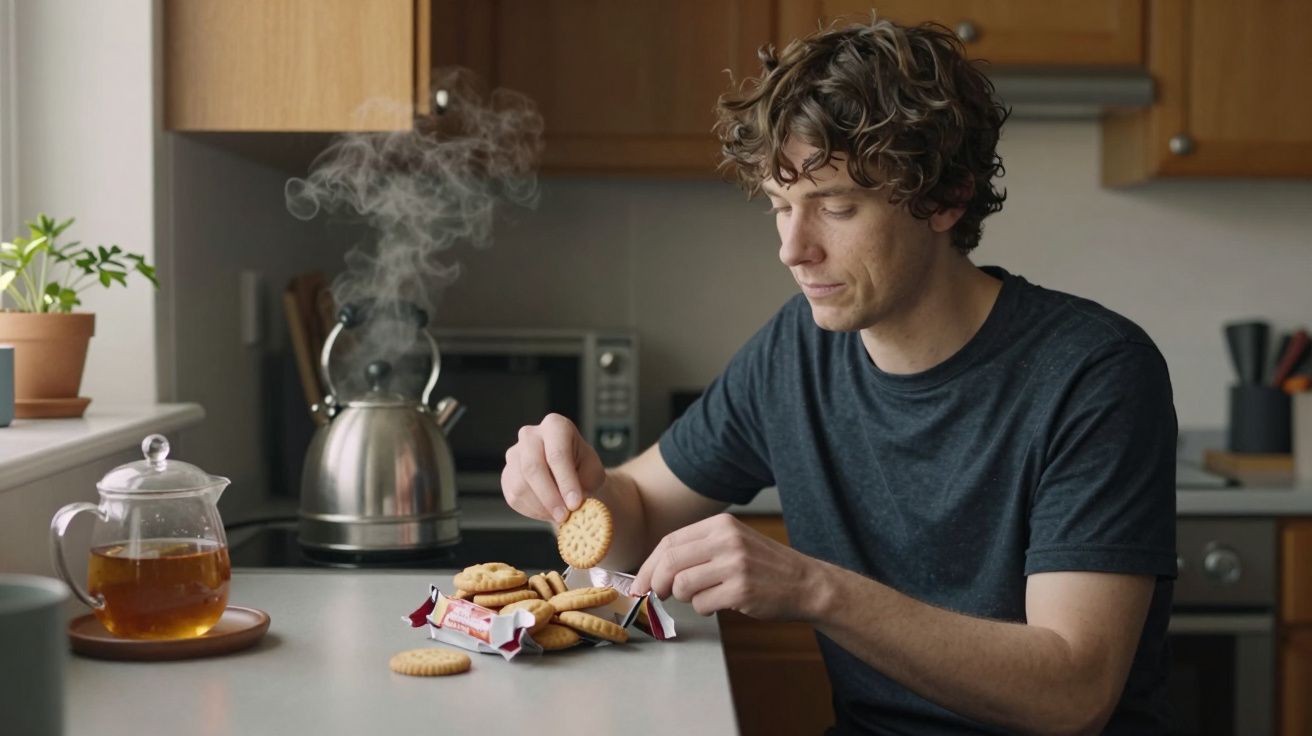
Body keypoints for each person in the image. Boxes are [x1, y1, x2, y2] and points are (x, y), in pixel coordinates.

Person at [500, 15, 1176, 736]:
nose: (794, 248)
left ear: (945, 200)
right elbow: (636, 517)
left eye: (837, 206)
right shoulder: (795, 351)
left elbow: (1073, 693)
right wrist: (576, 487)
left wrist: (813, 588)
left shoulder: (1094, 372)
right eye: (781, 207)